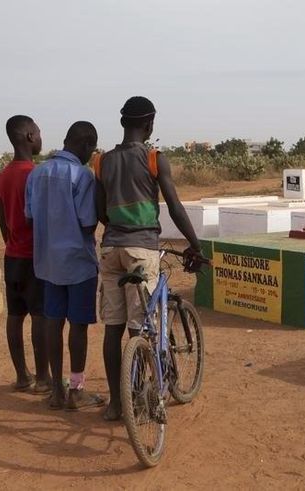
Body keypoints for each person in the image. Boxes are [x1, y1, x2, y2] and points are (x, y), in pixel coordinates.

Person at [95, 96, 203, 421]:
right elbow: (174, 205)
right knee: (140, 328)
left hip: (111, 248)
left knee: (113, 328)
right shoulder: (155, 158)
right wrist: (195, 245)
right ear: (150, 123)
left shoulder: (101, 162)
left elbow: (100, 211)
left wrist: (119, 226)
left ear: (122, 122)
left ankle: (116, 403)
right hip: (141, 248)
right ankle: (139, 401)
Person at [25, 121, 104, 411]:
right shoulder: (82, 176)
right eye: (91, 149)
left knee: (52, 323)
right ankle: (77, 389)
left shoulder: (37, 173)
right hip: (78, 263)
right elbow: (87, 223)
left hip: (47, 262)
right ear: (85, 146)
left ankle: (56, 389)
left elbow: (30, 216)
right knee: (78, 326)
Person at [0, 115, 50, 393]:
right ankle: (43, 379)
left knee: (15, 316)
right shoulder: (36, 175)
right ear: (29, 136)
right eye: (39, 133)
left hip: (12, 256)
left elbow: (2, 221)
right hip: (35, 258)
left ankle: (21, 376)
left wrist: (12, 244)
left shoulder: (2, 176)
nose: (41, 137)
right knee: (40, 315)